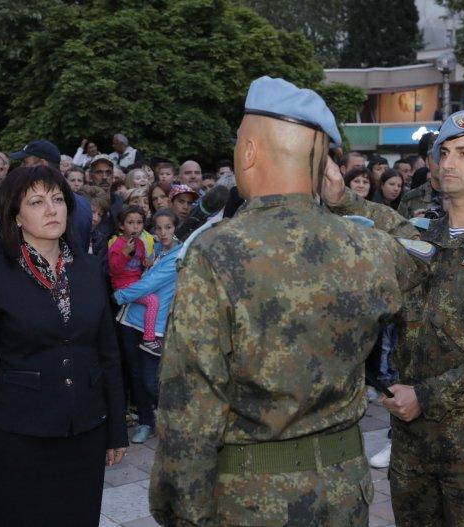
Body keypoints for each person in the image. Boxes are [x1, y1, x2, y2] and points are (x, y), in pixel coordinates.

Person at [150, 76, 416, 526]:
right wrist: (345, 201)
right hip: (345, 491)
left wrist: (182, 513)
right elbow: (419, 250)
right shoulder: (366, 246)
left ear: (249, 152)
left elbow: (191, 409)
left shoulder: (218, 252)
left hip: (251, 500)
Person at [325, 109, 464, 525]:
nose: (448, 162)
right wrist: (339, 195)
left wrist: (425, 397)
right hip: (411, 446)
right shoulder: (422, 232)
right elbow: (384, 221)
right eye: (444, 151)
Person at [0, 165, 127, 526]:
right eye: (36, 202)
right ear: (16, 217)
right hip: (19, 437)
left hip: (84, 431)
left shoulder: (87, 269)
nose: (51, 210)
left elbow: (108, 354)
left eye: (57, 199)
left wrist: (116, 427)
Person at [115, 209, 182, 444]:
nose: (163, 233)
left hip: (155, 327)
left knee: (150, 380)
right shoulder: (156, 250)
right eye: (158, 228)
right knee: (136, 376)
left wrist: (119, 296)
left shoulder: (177, 255)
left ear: (176, 228)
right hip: (130, 320)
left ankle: (180, 421)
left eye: (169, 227)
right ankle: (146, 422)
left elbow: (148, 284)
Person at [108, 205, 161, 355]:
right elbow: (114, 270)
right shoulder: (117, 244)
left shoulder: (140, 243)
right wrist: (124, 253)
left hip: (137, 282)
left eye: (139, 223)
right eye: (131, 223)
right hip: (123, 286)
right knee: (153, 301)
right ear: (121, 225)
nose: (135, 227)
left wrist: (147, 263)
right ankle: (149, 339)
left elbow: (142, 262)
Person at [399, 131, 443, 220]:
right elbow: (398, 232)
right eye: (435, 157)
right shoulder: (411, 199)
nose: (441, 162)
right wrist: (414, 225)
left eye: (444, 155)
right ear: (427, 161)